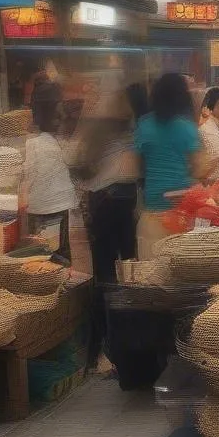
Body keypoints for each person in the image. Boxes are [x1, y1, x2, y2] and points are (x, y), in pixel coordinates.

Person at [73, 80, 146, 364]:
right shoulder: (129, 127)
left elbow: (81, 167)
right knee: (127, 270)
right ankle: (123, 340)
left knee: (106, 272)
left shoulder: (102, 129)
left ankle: (106, 343)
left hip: (105, 201)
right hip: (121, 201)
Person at [133, 72, 203, 258]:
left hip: (152, 210)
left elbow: (136, 167)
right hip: (182, 212)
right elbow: (199, 168)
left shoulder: (144, 125)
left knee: (150, 270)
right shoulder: (187, 128)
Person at [23, 80, 77, 261]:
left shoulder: (33, 141)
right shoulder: (48, 140)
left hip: (41, 207)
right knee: (56, 258)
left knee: (42, 258)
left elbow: (26, 175)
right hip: (56, 207)